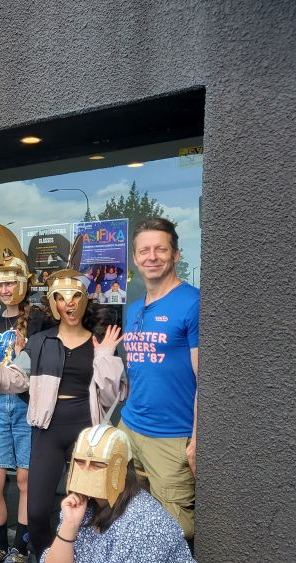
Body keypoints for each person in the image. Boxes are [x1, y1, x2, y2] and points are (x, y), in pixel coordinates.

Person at [0, 260, 125, 560]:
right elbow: (14, 380)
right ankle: (48, 555)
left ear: (85, 300)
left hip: (89, 432)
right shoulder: (40, 341)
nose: (68, 304)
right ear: (54, 303)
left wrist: (107, 357)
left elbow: (112, 396)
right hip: (48, 428)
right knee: (37, 511)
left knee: (97, 505)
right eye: (61, 298)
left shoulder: (101, 341)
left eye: (75, 297)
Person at [119, 218, 199, 542]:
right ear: (136, 259)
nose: (152, 256)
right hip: (131, 427)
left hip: (171, 437)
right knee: (128, 516)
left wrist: (197, 439)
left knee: (173, 532)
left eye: (160, 249)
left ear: (176, 254)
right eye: (144, 250)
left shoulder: (193, 303)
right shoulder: (134, 308)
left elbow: (206, 379)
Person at [0, 225, 53, 563]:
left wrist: (29, 351)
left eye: (11, 282)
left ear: (22, 283)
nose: (6, 289)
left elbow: (47, 361)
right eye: (0, 284)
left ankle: (21, 550)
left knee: (25, 479)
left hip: (27, 405)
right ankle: (0, 545)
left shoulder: (39, 317)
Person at [41, 424, 195, 563]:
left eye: (98, 464)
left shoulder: (144, 526)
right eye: (80, 462)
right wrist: (70, 524)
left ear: (120, 470)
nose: (86, 471)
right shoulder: (80, 505)